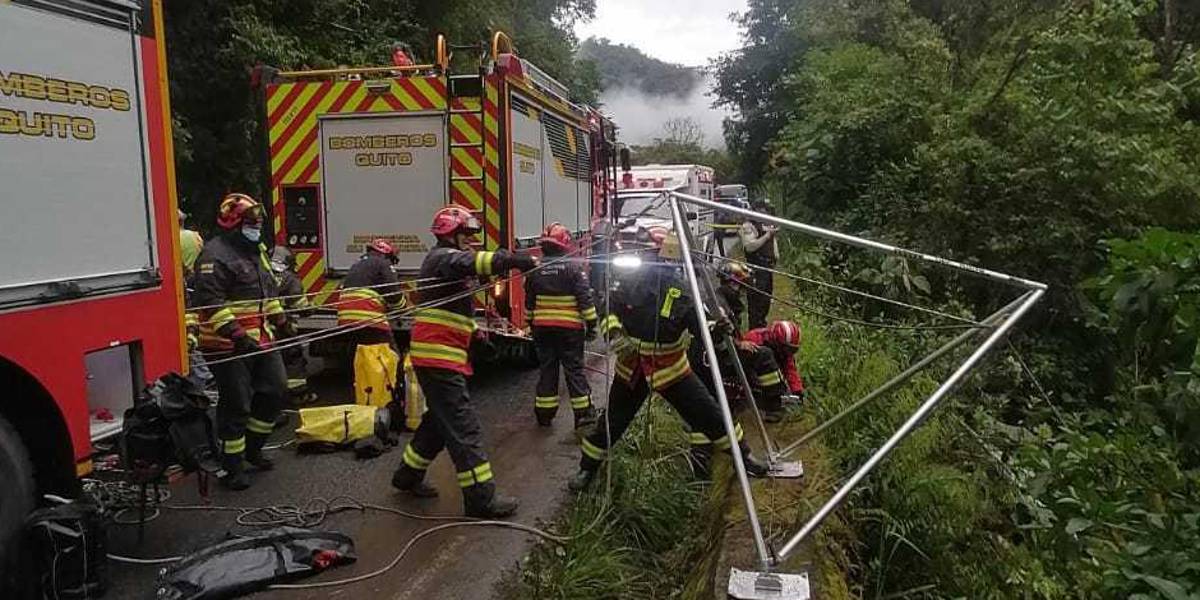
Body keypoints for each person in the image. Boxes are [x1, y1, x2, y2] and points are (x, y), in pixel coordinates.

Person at [569, 226, 768, 492]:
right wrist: (616, 334)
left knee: (709, 414)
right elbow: (608, 308)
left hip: (671, 369)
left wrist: (717, 329)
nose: (641, 255)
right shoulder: (626, 281)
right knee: (611, 423)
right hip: (634, 369)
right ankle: (586, 470)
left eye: (647, 251)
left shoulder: (682, 289)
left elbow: (701, 325)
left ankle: (743, 458)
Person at [391, 206, 538, 518]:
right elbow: (474, 262)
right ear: (450, 235)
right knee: (464, 427)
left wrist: (479, 339)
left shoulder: (448, 268)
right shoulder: (443, 258)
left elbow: (456, 314)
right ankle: (480, 500)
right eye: (466, 235)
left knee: (438, 422)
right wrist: (510, 259)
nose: (471, 241)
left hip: (442, 357)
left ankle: (407, 475)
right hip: (438, 358)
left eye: (473, 236)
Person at [190, 193, 290, 491]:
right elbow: (210, 301)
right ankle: (232, 466)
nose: (256, 227)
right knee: (236, 405)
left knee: (275, 390)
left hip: (260, 339)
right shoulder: (213, 255)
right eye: (250, 223)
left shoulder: (255, 250)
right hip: (226, 344)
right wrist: (236, 334)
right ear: (233, 224)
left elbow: (266, 293)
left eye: (258, 223)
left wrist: (282, 321)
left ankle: (253, 449)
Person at [524, 222, 598, 428]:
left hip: (542, 331)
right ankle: (583, 415)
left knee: (548, 369)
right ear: (564, 244)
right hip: (570, 332)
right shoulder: (574, 269)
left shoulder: (535, 270)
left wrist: (530, 323)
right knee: (574, 370)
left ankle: (544, 414)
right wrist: (592, 325)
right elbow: (585, 300)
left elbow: (529, 303)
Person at [270, 247, 314, 401]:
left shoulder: (262, 273)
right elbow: (300, 305)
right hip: (282, 326)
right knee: (293, 357)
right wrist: (309, 309)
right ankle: (298, 394)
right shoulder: (289, 278)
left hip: (259, 327)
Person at [743, 320, 807, 404]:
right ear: (777, 341)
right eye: (788, 349)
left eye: (792, 350)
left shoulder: (785, 352)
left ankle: (773, 396)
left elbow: (790, 370)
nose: (789, 352)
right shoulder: (754, 338)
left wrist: (797, 390)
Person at [740, 198, 779, 329]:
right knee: (756, 306)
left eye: (768, 210)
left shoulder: (768, 225)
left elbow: (773, 245)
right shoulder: (749, 226)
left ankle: (762, 331)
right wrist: (767, 236)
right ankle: (754, 334)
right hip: (756, 269)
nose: (766, 213)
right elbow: (750, 246)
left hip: (768, 269)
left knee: (765, 303)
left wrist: (775, 257)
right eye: (764, 210)